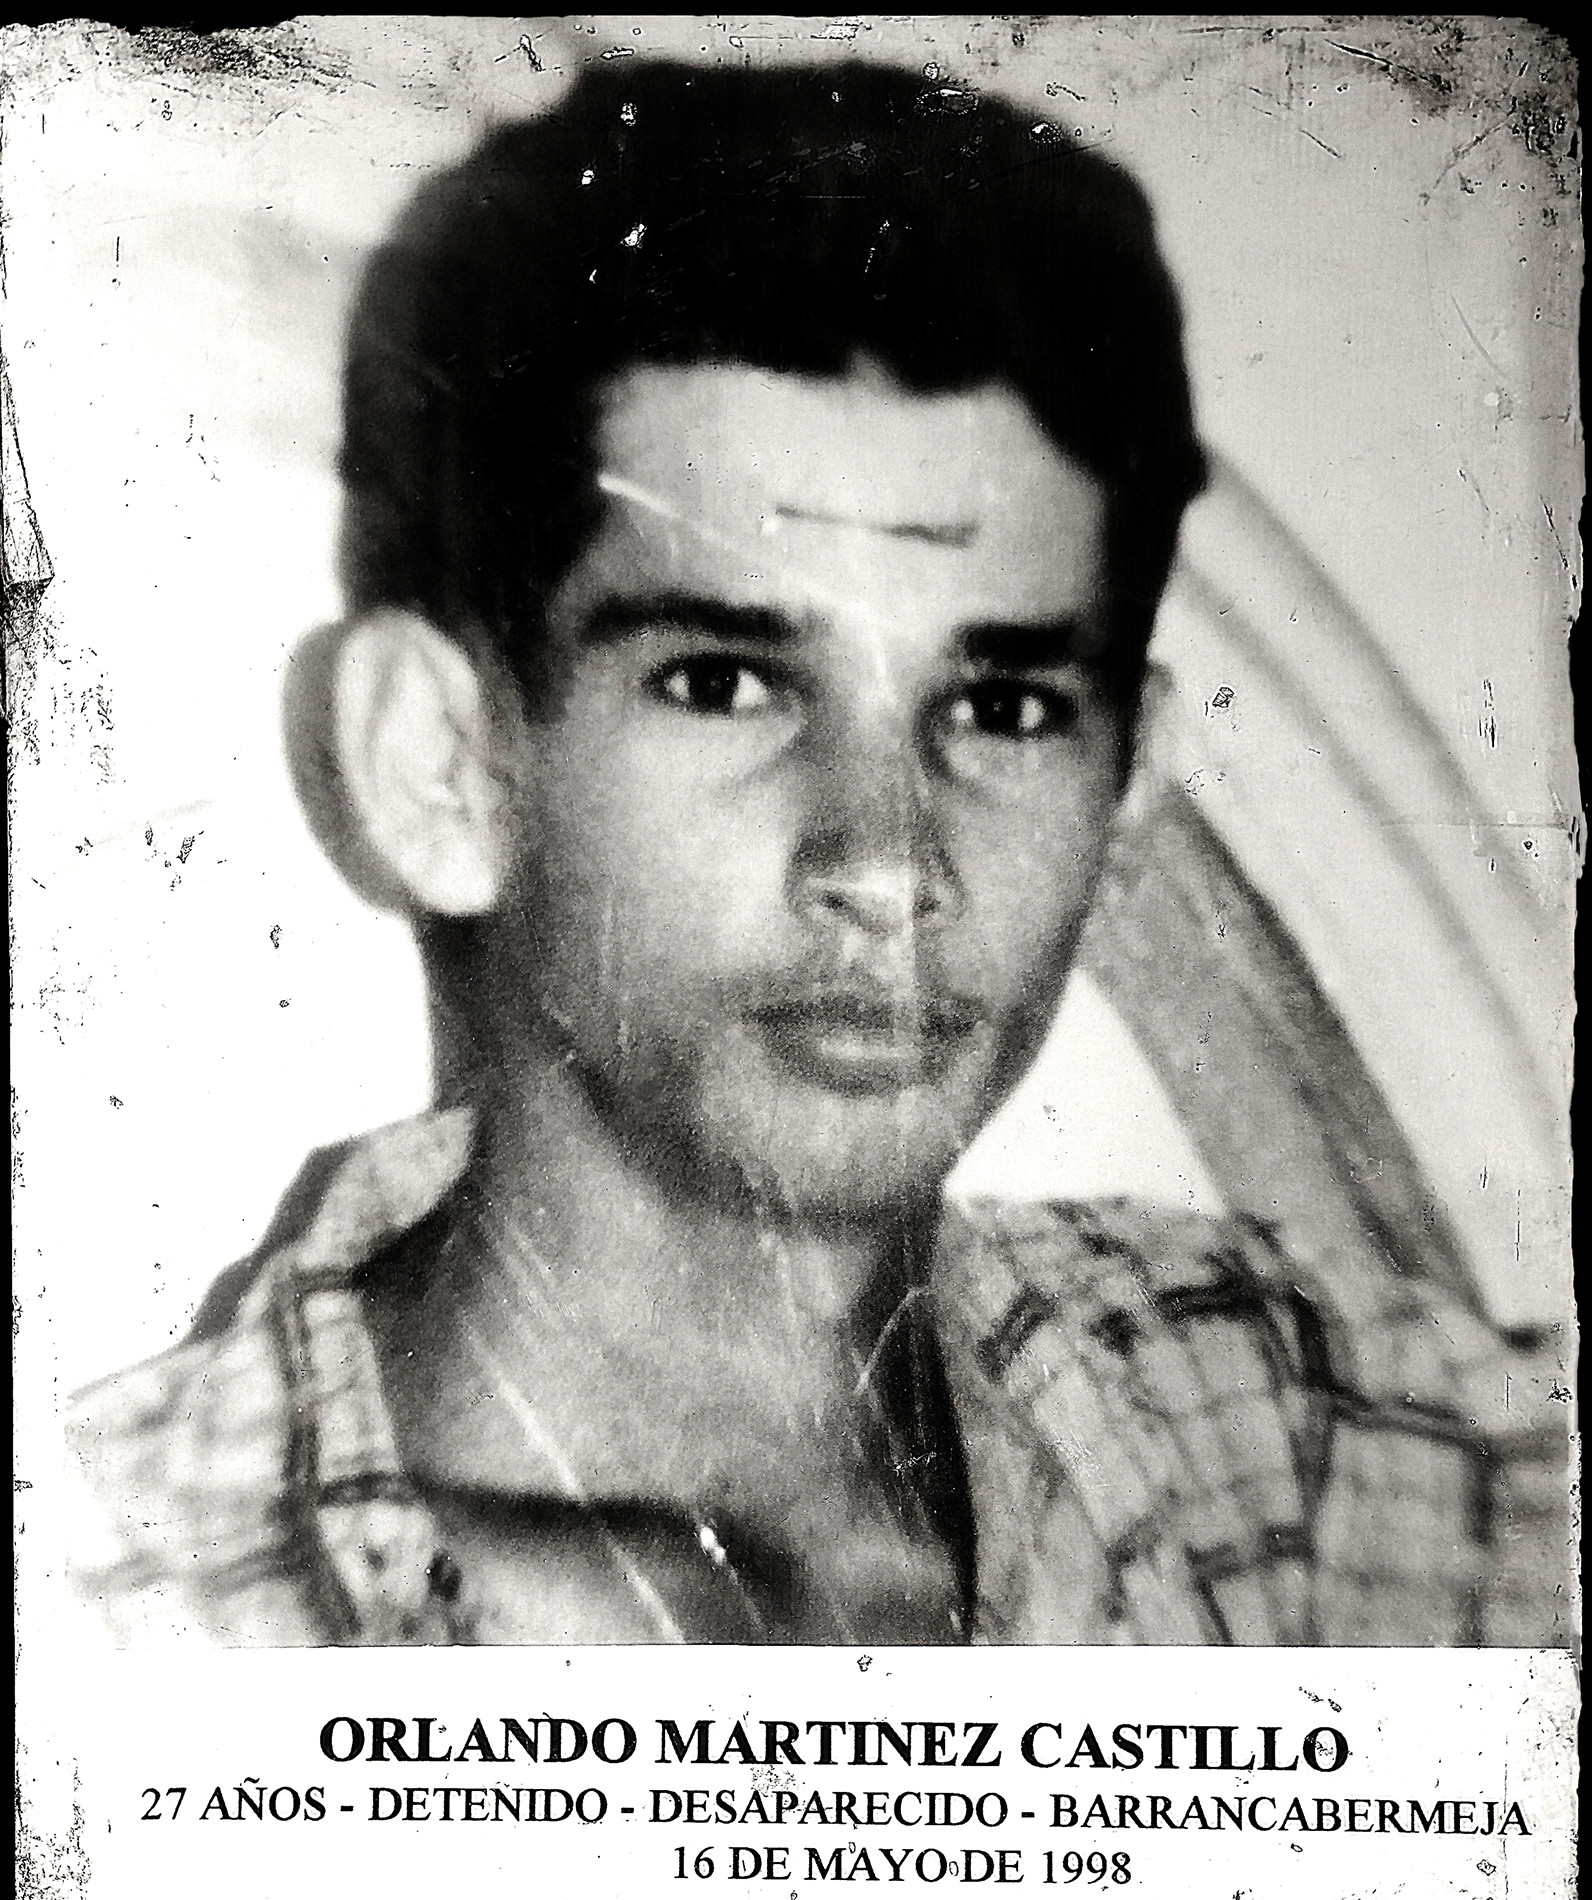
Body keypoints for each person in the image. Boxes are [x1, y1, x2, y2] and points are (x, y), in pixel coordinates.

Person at [67, 59, 1566, 1648]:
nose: (890, 862)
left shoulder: (1269, 1426)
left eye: (1000, 708)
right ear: (440, 766)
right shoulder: (109, 1629)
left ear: (1128, 791)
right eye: (724, 683)